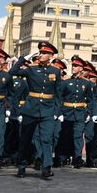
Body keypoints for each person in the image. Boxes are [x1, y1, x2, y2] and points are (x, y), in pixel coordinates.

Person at [11, 41, 63, 180]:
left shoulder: (56, 71)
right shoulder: (31, 69)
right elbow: (12, 72)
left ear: (51, 55)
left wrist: (57, 111)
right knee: (26, 139)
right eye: (40, 52)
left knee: (47, 139)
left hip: (47, 110)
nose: (41, 55)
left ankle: (47, 167)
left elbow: (58, 93)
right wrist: (24, 58)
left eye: (45, 53)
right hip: (31, 109)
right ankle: (22, 166)